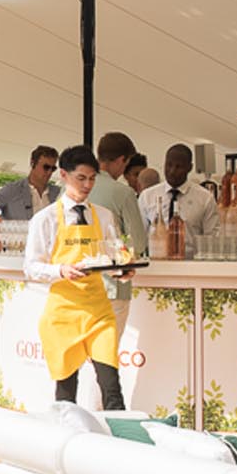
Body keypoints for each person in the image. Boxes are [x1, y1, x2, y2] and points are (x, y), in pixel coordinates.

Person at [23, 145, 129, 409]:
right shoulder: (45, 219)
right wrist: (61, 270)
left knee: (111, 385)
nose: (87, 184)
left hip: (99, 311)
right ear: (63, 175)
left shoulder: (103, 216)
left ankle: (121, 444)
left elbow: (113, 255)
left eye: (92, 178)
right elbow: (31, 266)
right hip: (63, 314)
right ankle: (66, 442)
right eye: (81, 178)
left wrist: (122, 270)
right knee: (66, 390)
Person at [87, 132, 146, 408]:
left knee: (85, 355)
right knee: (106, 355)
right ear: (121, 160)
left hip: (80, 284)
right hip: (113, 285)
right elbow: (139, 242)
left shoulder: (74, 188)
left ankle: (83, 414)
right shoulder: (122, 193)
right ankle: (101, 415)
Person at [141, 143, 220, 237]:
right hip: (156, 251)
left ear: (189, 168)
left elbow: (211, 237)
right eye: (169, 165)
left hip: (191, 251)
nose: (172, 171)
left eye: (179, 167)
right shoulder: (147, 196)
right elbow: (140, 235)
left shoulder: (205, 199)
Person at [0, 145, 60, 221]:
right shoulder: (13, 189)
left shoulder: (58, 193)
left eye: (53, 168)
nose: (49, 172)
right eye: (46, 167)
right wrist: (1, 222)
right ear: (32, 163)